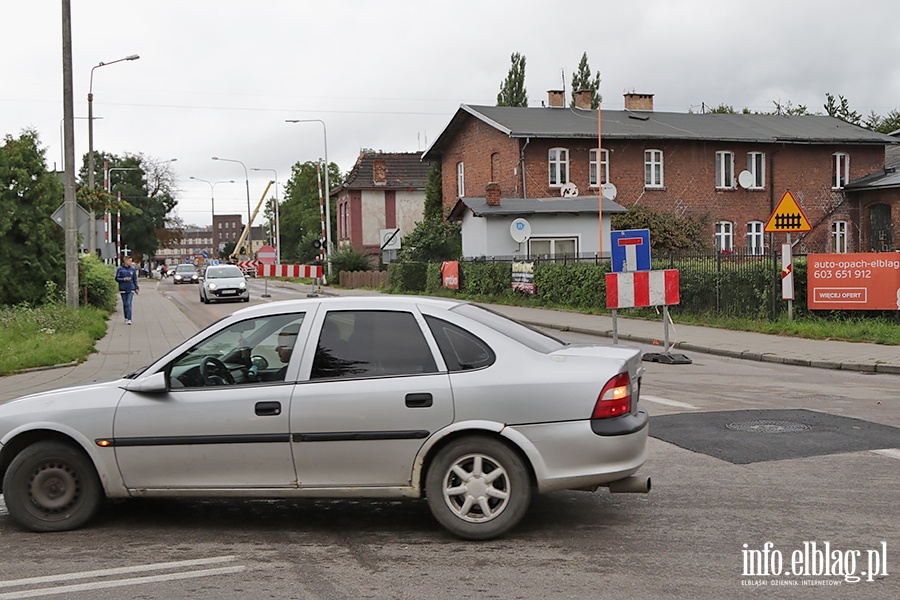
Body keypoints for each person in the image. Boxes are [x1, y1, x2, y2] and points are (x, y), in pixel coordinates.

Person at [115, 256, 140, 325]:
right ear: (125, 261)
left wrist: (136, 288)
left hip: (130, 288)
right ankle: (126, 317)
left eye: (131, 261)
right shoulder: (120, 269)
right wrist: (123, 279)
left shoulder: (132, 270)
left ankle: (129, 319)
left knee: (129, 303)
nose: (131, 263)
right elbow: (117, 278)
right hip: (123, 288)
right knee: (125, 303)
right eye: (129, 261)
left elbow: (135, 279)